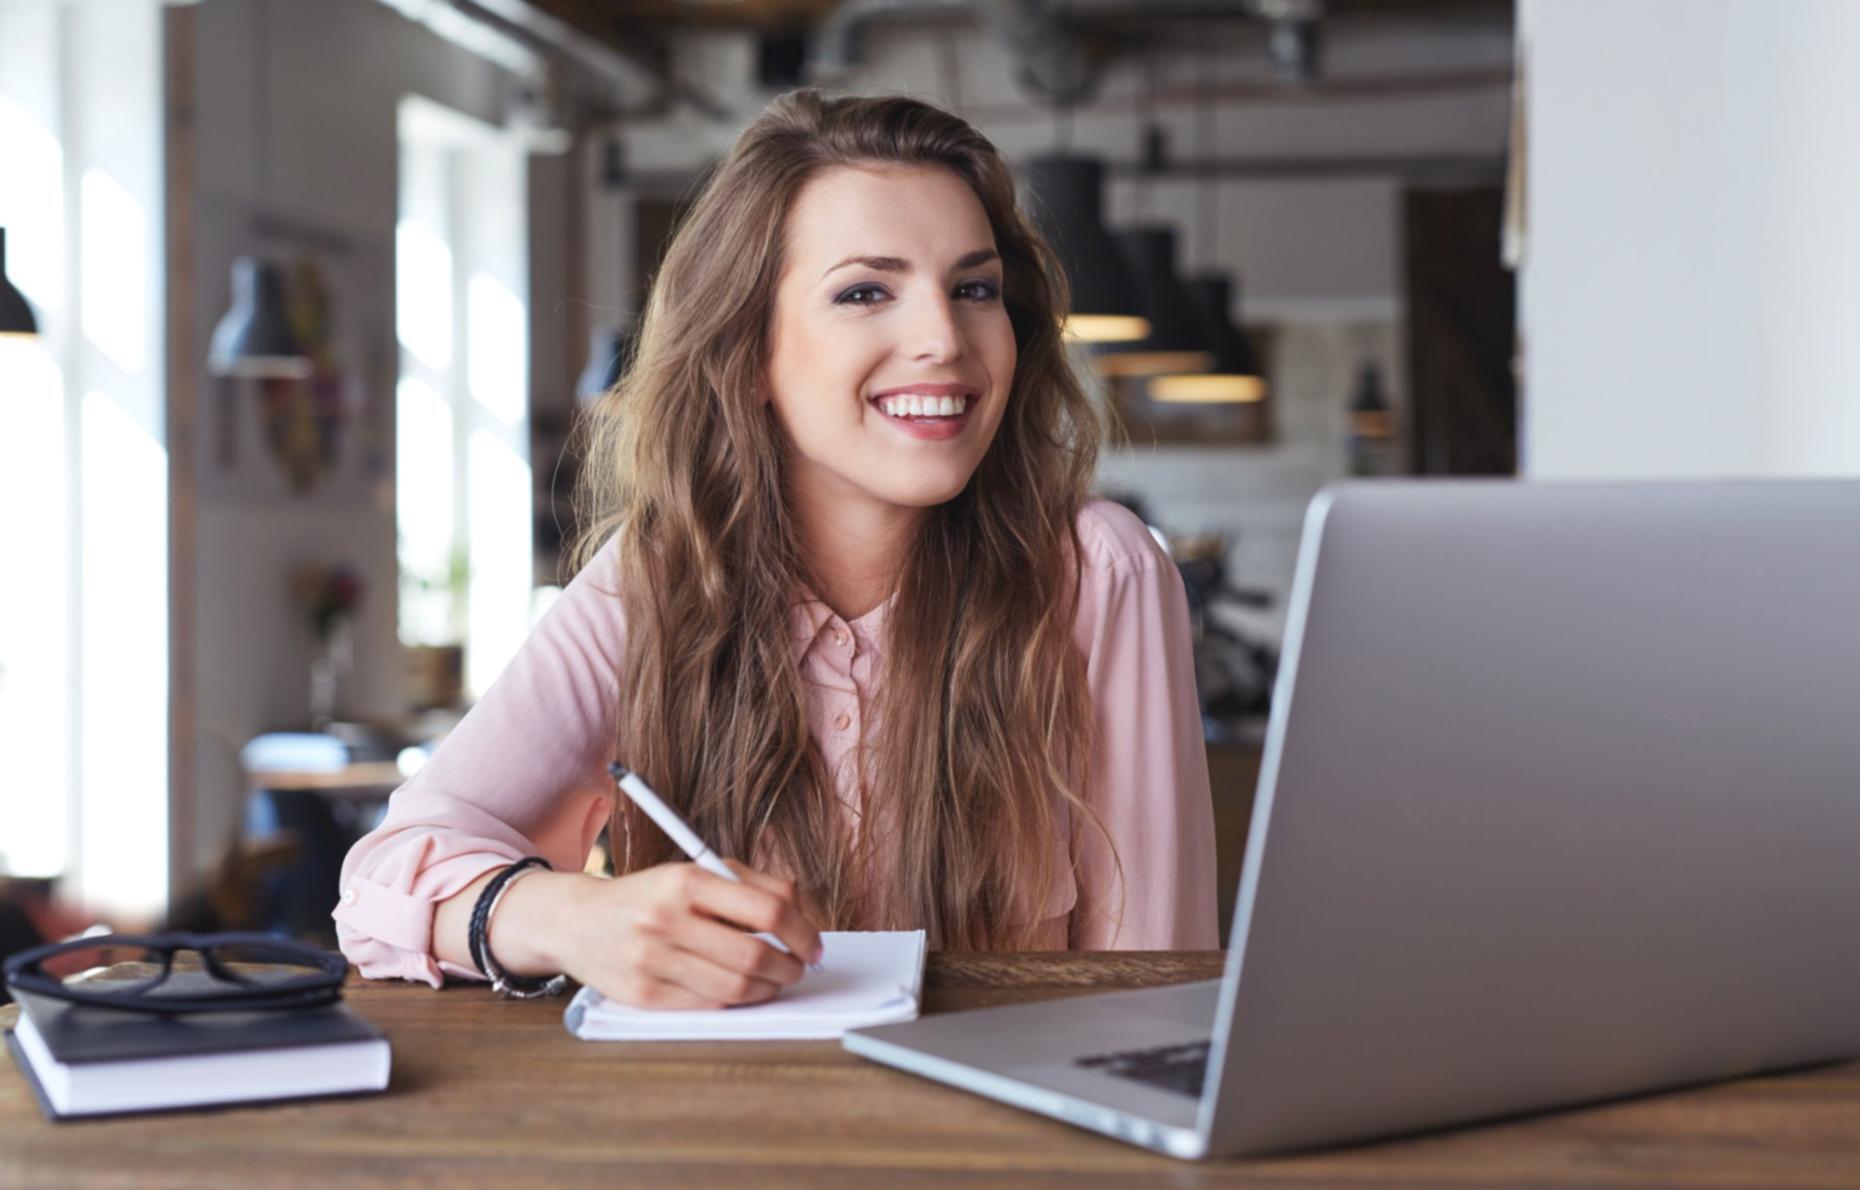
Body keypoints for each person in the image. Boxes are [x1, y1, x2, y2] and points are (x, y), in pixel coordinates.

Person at [336, 90, 1216, 1011]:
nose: (944, 339)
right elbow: (380, 884)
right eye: (865, 291)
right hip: (724, 1102)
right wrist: (572, 918)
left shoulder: (1096, 572)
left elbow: (1152, 996)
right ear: (750, 351)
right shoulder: (658, 579)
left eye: (974, 289)